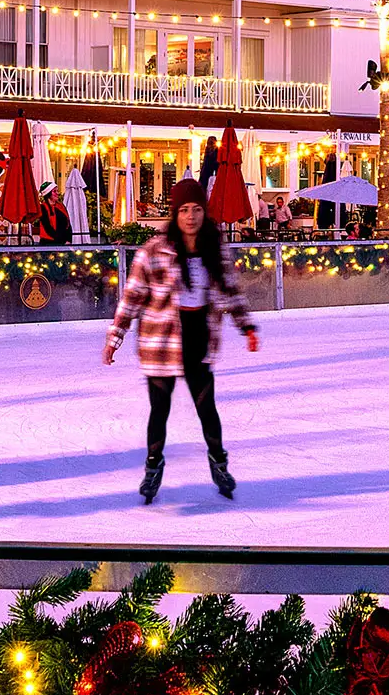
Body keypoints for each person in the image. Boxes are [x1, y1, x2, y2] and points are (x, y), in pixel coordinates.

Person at [102, 178, 258, 502]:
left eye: (197, 209)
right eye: (184, 210)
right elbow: (131, 297)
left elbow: (230, 291)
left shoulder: (215, 249)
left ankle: (219, 464)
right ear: (175, 214)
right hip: (160, 342)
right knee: (159, 411)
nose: (191, 217)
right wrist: (114, 337)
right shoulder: (154, 251)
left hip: (199, 338)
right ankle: (152, 468)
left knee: (207, 409)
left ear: (205, 212)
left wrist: (247, 328)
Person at [36, 181, 73, 246]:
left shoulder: (61, 206)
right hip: (48, 244)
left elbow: (68, 224)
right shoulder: (43, 208)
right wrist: (62, 241)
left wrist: (69, 239)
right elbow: (48, 228)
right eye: (54, 191)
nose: (57, 193)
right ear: (48, 193)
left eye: (57, 191)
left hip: (63, 243)